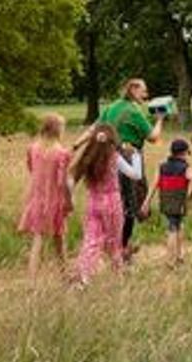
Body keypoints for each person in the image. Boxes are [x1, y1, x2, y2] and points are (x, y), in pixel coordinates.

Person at [98, 78, 163, 260]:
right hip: (129, 157)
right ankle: (123, 249)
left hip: (107, 159)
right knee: (129, 205)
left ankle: (111, 246)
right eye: (144, 91)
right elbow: (153, 137)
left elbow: (97, 128)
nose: (146, 95)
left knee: (114, 203)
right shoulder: (133, 111)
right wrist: (160, 120)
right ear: (133, 89)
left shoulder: (111, 107)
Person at [70, 123, 142, 287]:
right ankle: (118, 277)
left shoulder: (89, 157)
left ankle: (83, 277)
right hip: (112, 204)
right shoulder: (114, 157)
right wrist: (136, 155)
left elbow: (71, 179)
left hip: (93, 202)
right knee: (114, 242)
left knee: (91, 240)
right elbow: (135, 175)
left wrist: (70, 197)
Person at [18, 114, 74, 276]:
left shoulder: (33, 148)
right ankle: (57, 274)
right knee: (54, 236)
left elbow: (31, 169)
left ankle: (55, 275)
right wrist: (69, 201)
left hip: (36, 197)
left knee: (46, 237)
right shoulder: (62, 153)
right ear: (57, 130)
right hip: (54, 199)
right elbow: (62, 182)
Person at [141, 138, 192, 267]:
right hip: (180, 202)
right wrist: (189, 199)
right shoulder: (185, 167)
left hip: (166, 201)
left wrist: (146, 203)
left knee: (176, 225)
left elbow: (154, 185)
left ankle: (178, 255)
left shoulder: (162, 167)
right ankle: (172, 259)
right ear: (184, 153)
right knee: (175, 227)